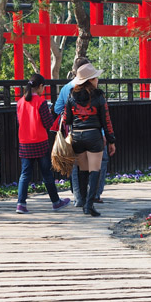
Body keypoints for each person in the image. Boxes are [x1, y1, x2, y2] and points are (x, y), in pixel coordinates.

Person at [55, 57, 109, 207]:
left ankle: (79, 198)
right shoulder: (96, 93)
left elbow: (58, 109)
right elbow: (103, 117)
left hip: (75, 134)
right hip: (95, 134)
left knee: (77, 167)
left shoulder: (67, 89)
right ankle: (95, 195)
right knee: (98, 164)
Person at [65, 63, 117, 216]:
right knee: (95, 170)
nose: (97, 79)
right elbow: (106, 121)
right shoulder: (99, 96)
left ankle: (82, 203)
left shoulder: (71, 95)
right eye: (96, 77)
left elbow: (67, 119)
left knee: (82, 170)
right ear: (91, 79)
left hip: (77, 136)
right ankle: (89, 205)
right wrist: (111, 140)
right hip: (93, 136)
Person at [15, 74, 71, 214]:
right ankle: (55, 202)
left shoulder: (20, 102)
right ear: (40, 87)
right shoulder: (40, 102)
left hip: (24, 141)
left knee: (25, 174)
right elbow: (48, 123)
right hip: (39, 141)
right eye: (43, 87)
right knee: (46, 174)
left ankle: (21, 204)